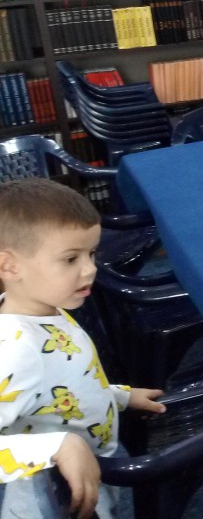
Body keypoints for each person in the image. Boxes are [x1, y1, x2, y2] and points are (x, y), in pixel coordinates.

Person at [0, 179, 166, 519]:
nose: (90, 269)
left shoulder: (48, 307)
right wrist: (56, 445)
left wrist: (118, 396)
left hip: (92, 459)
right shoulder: (14, 351)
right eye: (70, 259)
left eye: (91, 254)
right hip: (50, 496)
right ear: (9, 266)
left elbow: (63, 378)